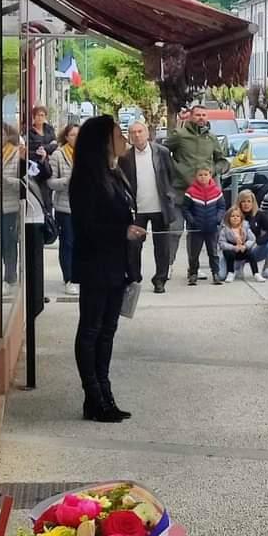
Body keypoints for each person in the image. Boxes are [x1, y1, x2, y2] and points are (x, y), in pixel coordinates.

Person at [68, 115, 145, 423]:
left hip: (117, 263)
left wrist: (129, 230)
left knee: (107, 331)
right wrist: (123, 232)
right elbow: (87, 227)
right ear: (103, 141)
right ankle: (94, 396)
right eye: (117, 134)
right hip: (95, 263)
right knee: (91, 329)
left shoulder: (116, 173)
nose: (124, 139)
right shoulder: (87, 178)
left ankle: (105, 394)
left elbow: (123, 213)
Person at [120, 120, 179, 294]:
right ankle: (134, 278)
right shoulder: (125, 157)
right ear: (129, 136)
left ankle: (160, 279)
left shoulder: (161, 152)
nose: (137, 135)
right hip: (137, 209)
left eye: (140, 131)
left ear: (147, 133)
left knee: (162, 246)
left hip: (160, 207)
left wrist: (170, 196)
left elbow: (171, 175)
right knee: (133, 246)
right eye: (133, 132)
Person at [165, 102, 229, 192]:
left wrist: (212, 171)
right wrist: (176, 168)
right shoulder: (180, 135)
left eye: (204, 115)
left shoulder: (212, 138)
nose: (201, 117)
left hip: (205, 190)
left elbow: (222, 161)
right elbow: (162, 152)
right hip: (183, 189)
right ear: (191, 117)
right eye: (198, 115)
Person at [182, 166, 226, 285]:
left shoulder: (217, 191)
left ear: (210, 176)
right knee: (194, 253)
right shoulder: (190, 192)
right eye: (200, 175)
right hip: (196, 229)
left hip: (212, 228)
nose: (203, 177)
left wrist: (217, 219)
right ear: (196, 177)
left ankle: (215, 274)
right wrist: (191, 221)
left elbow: (222, 207)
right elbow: (185, 209)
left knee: (213, 252)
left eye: (206, 174)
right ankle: (193, 274)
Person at [49, 123, 78, 294]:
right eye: (73, 135)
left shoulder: (86, 154)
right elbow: (50, 182)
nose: (76, 138)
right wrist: (66, 180)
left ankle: (78, 275)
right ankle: (69, 278)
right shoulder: (58, 155)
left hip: (84, 206)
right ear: (66, 137)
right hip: (65, 206)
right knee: (68, 243)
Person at [236, 188, 268, 280]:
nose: (246, 204)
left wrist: (259, 241)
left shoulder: (259, 214)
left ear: (253, 203)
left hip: (253, 249)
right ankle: (237, 267)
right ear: (239, 203)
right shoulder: (233, 214)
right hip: (236, 250)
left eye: (249, 201)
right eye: (243, 201)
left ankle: (266, 270)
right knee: (222, 275)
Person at [219, 204, 257, 281]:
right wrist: (233, 247)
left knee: (251, 254)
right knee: (221, 276)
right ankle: (231, 272)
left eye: (237, 216)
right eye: (232, 216)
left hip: (243, 249)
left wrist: (245, 246)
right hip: (231, 251)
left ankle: (256, 273)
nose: (235, 218)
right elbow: (221, 243)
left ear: (241, 218)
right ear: (228, 218)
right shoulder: (225, 229)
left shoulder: (245, 227)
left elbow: (252, 239)